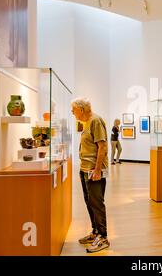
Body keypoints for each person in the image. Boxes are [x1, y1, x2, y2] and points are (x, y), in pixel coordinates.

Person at [71, 98, 110, 253]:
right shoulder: (86, 122)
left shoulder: (96, 121)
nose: (72, 112)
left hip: (94, 170)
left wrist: (98, 169)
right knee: (89, 202)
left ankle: (103, 237)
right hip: (85, 169)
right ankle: (95, 232)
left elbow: (102, 146)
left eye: (73, 109)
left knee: (97, 203)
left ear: (81, 109)